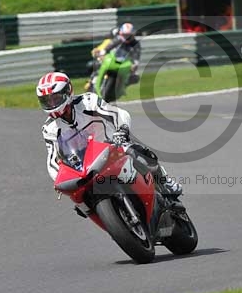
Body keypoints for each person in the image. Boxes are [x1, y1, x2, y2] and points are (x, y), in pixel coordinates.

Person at [37, 71, 183, 208]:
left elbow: (118, 114)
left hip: (111, 145)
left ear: (68, 92)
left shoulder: (88, 102)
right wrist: (59, 180)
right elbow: (52, 160)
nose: (51, 104)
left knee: (137, 152)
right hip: (83, 165)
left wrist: (122, 130)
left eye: (55, 98)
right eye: (47, 101)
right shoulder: (49, 128)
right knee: (80, 203)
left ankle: (165, 181)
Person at [85, 22, 142, 92]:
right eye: (125, 35)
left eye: (128, 35)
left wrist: (135, 64)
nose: (127, 37)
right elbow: (107, 47)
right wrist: (101, 53)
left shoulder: (136, 44)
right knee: (96, 65)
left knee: (135, 77)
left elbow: (137, 56)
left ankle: (123, 87)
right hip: (111, 60)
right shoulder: (116, 40)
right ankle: (92, 81)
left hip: (124, 64)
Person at [83, 26, 119, 91]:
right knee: (95, 67)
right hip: (105, 63)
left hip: (116, 65)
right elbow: (95, 51)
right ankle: (91, 82)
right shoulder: (108, 41)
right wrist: (99, 55)